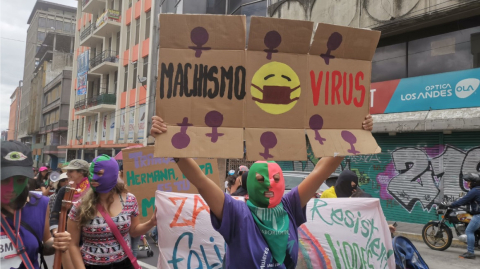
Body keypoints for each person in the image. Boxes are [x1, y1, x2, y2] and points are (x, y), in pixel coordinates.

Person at [151, 114, 373, 268]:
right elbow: (200, 180)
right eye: (261, 179)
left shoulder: (289, 206)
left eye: (276, 179)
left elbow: (320, 172)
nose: (269, 184)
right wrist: (170, 141)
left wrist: (353, 135)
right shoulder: (236, 213)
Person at [67, 155, 157, 269]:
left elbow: (134, 232)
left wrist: (151, 223)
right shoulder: (79, 206)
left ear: (112, 174)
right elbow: (72, 244)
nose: (93, 178)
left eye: (99, 173)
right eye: (91, 173)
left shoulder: (130, 200)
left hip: (124, 264)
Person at [1, 141, 71, 268]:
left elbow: (45, 244)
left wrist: (58, 242)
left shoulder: (40, 205)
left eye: (20, 180)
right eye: (4, 179)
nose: (12, 188)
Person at [449, 172, 480, 259]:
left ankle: (470, 252)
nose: (467, 183)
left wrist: (451, 205)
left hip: (479, 216)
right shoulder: (478, 190)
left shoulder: (474, 191)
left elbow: (463, 201)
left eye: (469, 182)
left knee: (469, 231)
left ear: (474, 182)